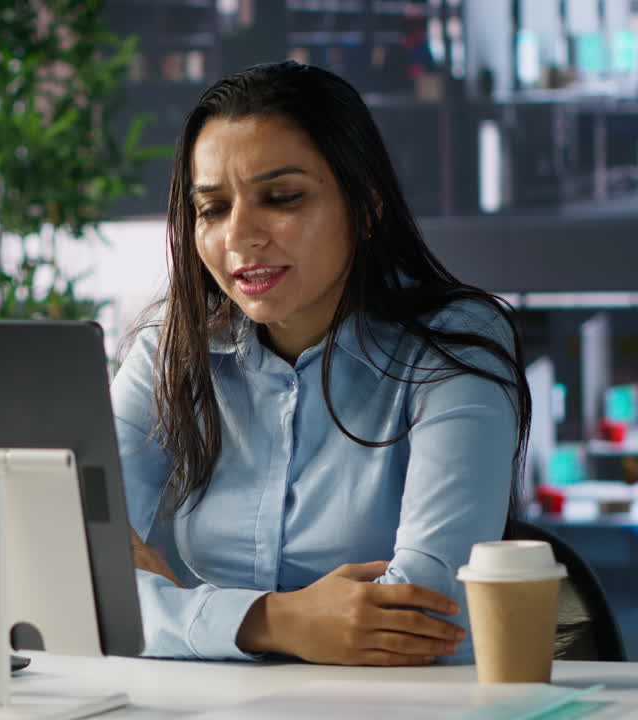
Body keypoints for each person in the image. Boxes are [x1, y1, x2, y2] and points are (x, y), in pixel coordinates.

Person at [114, 61, 530, 667]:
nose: (240, 236)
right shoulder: (171, 349)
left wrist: (182, 610)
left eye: (281, 198)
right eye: (212, 208)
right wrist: (270, 621)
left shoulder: (453, 344)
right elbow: (71, 584)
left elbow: (426, 614)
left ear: (365, 208)